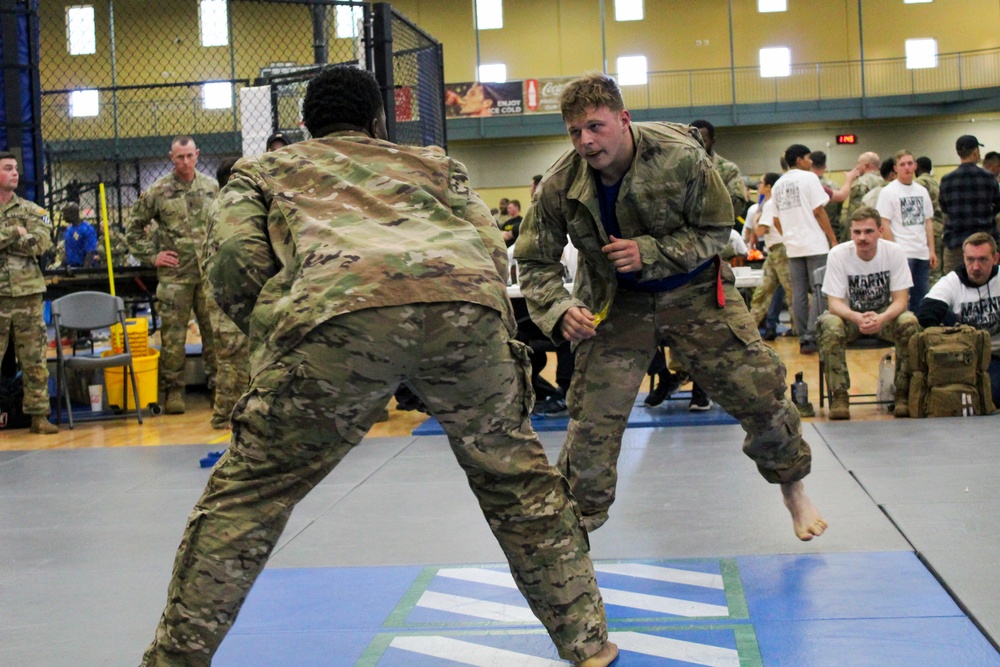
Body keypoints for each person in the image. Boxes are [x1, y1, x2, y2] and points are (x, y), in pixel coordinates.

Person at [141, 66, 616, 667]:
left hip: (336, 319)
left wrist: (284, 322)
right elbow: (492, 249)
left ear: (306, 126)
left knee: (248, 497)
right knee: (519, 484)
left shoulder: (265, 171)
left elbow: (234, 260)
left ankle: (175, 660)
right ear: (378, 122)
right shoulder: (434, 164)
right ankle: (589, 643)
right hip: (463, 314)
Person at [515, 72, 826, 542]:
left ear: (623, 119)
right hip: (618, 304)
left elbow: (717, 228)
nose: (586, 141)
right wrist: (559, 307)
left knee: (761, 391)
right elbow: (534, 261)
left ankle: (792, 487)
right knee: (592, 423)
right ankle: (576, 531)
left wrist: (652, 252)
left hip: (697, 293)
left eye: (596, 127)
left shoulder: (680, 157)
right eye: (575, 131)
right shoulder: (560, 183)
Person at [126, 135, 220, 415]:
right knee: (173, 338)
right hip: (175, 277)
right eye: (180, 157)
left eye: (190, 155)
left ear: (197, 154)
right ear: (171, 157)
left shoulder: (212, 188)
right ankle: (174, 391)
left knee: (214, 334)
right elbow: (133, 230)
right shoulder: (158, 191)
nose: (186, 162)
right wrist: (153, 256)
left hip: (207, 275)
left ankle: (218, 388)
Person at [817, 206, 918, 420]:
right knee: (830, 325)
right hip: (850, 318)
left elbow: (901, 301)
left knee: (909, 321)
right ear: (851, 233)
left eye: (869, 231)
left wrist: (881, 318)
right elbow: (834, 303)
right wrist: (856, 317)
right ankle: (839, 395)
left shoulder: (894, 252)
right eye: (857, 232)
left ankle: (902, 394)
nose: (862, 238)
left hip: (884, 316)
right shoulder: (838, 254)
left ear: (881, 231)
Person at [0, 151, 57, 434]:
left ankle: (38, 415)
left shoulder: (34, 211)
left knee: (34, 359)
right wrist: (14, 233)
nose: (15, 173)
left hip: (27, 295)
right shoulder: (23, 220)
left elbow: (40, 243)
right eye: (7, 168)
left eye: (15, 168)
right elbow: (24, 239)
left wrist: (14, 236)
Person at [917, 231, 1000, 407]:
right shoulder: (952, 281)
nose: (975, 267)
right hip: (965, 356)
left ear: (995, 258)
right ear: (964, 258)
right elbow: (925, 316)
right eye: (970, 260)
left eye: (983, 260)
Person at [772, 144, 836, 354]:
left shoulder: (778, 184)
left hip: (793, 246)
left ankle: (802, 338)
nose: (811, 162)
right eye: (808, 158)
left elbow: (775, 219)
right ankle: (813, 335)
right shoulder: (809, 178)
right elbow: (818, 211)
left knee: (798, 293)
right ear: (799, 160)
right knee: (819, 291)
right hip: (815, 243)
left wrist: (788, 236)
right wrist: (833, 239)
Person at [204, 157, 249, 429]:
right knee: (230, 356)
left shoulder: (233, 205)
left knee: (241, 356)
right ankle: (223, 415)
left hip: (236, 292)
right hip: (225, 294)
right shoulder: (224, 207)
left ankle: (238, 413)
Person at [876, 149, 937, 311]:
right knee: (902, 298)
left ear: (915, 166)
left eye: (910, 163)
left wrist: (931, 250)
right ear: (896, 168)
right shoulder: (888, 192)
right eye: (902, 164)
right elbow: (884, 223)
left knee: (922, 296)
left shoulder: (922, 191)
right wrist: (895, 250)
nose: (907, 167)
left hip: (921, 253)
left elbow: (928, 221)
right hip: (903, 253)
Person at [939, 135, 1000, 275]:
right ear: (975, 152)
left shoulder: (947, 180)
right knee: (987, 285)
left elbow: (944, 208)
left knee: (954, 285)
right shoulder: (988, 178)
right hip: (984, 242)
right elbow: (998, 206)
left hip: (956, 243)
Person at [748, 172, 793, 339]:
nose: (758, 186)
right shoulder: (771, 202)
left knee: (791, 292)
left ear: (768, 186)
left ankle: (802, 330)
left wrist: (755, 219)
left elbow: (760, 229)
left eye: (761, 183)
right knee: (764, 290)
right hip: (775, 251)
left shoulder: (770, 203)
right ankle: (751, 328)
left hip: (781, 251)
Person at [690, 119, 749, 222]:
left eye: (703, 140)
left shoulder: (728, 170)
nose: (697, 144)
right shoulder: (681, 169)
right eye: (693, 140)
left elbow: (736, 204)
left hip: (716, 231)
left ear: (713, 141)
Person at [915, 156, 946, 284]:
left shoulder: (918, 184)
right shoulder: (937, 182)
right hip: (941, 227)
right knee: (938, 267)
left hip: (928, 230)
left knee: (929, 270)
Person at [839, 151, 882, 241]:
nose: (856, 166)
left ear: (865, 165)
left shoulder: (861, 183)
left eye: (859, 163)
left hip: (863, 231)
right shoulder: (883, 181)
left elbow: (855, 213)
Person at [61, 202, 99, 268]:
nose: (64, 216)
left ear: (72, 214)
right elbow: (67, 251)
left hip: (81, 267)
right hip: (69, 267)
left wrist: (83, 272)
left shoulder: (87, 229)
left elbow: (90, 253)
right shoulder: (69, 229)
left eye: (65, 214)